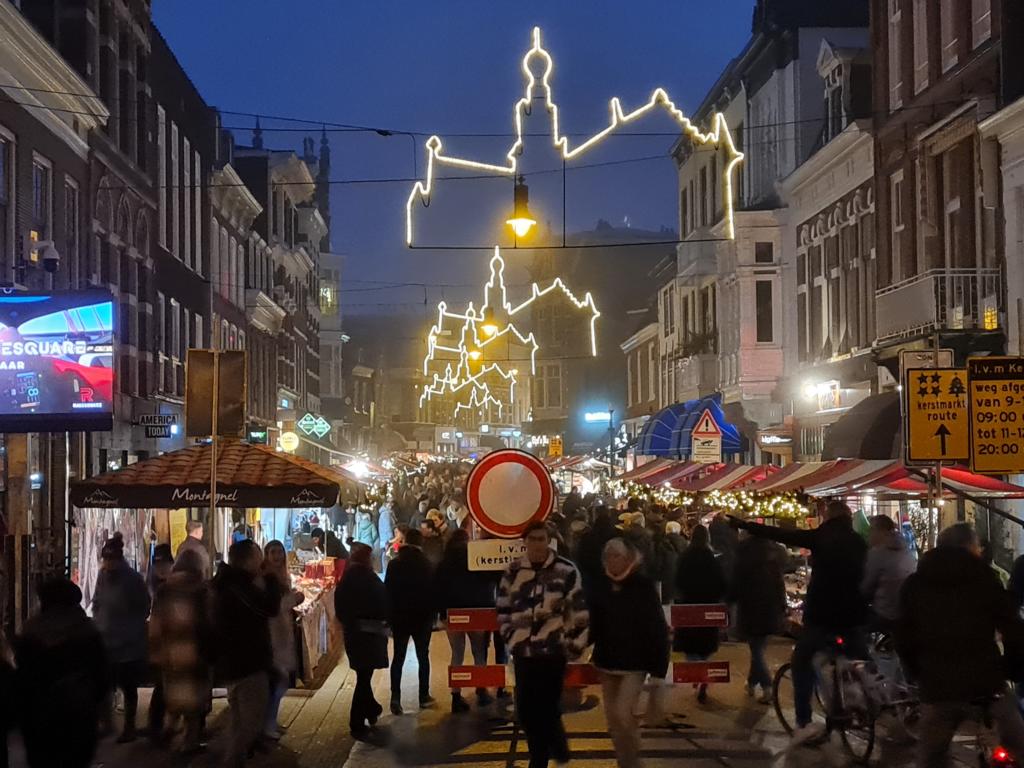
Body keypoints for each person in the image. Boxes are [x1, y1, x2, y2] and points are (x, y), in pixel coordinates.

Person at [731, 500, 869, 744]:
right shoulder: (859, 541)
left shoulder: (822, 536)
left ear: (828, 516)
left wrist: (748, 525)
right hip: (853, 615)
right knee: (861, 659)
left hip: (822, 615)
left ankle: (804, 722)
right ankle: (862, 698)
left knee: (802, 663)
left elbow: (784, 534)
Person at [898, 523, 1024, 768]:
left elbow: (904, 637)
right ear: (969, 547)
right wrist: (1011, 668)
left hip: (938, 686)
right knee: (1018, 744)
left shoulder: (915, 584)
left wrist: (917, 673)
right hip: (986, 682)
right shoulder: (985, 578)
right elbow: (1013, 628)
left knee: (931, 758)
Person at [497, 522, 589, 768]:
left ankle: (539, 760)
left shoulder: (566, 570)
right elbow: (503, 607)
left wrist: (573, 645)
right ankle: (555, 745)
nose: (537, 544)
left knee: (547, 707)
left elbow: (578, 610)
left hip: (553, 650)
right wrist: (509, 636)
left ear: (549, 541)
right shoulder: (513, 571)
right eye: (533, 539)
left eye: (542, 539)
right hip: (523, 651)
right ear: (525, 541)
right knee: (526, 710)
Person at [590, 538, 669, 768]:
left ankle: (633, 761)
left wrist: (658, 671)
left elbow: (657, 629)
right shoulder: (602, 586)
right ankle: (623, 761)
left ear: (628, 559)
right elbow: (595, 623)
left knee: (624, 714)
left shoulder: (643, 587)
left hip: (635, 663)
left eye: (617, 555)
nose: (612, 560)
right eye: (608, 556)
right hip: (607, 661)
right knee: (613, 720)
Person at [14, 578, 109, 768]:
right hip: (79, 713)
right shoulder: (87, 630)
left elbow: (23, 677)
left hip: (39, 717)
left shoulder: (31, 631)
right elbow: (101, 676)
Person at [211, 539, 282, 768]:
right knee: (249, 723)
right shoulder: (238, 587)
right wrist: (271, 579)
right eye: (258, 555)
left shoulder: (227, 583)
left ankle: (234, 760)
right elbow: (269, 607)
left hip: (234, 662)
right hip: (247, 662)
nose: (262, 560)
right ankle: (230, 762)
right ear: (248, 560)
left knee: (239, 721)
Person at [148, 548, 214, 753]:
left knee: (174, 697)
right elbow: (209, 623)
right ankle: (189, 742)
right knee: (194, 703)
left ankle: (169, 728)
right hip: (196, 653)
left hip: (171, 653)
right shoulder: (202, 590)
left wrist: (156, 650)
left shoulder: (164, 590)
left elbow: (155, 624)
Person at [91, 535, 151, 743]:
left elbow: (144, 606)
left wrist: (131, 627)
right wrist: (98, 620)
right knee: (105, 684)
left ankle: (129, 726)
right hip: (107, 640)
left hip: (128, 643)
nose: (107, 564)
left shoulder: (132, 579)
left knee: (128, 685)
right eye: (105, 560)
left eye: (110, 560)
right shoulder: (103, 576)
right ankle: (106, 723)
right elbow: (97, 601)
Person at [435, 530, 496, 712]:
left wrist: (442, 614)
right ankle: (481, 690)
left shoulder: (444, 563)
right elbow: (487, 583)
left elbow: (437, 590)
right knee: (479, 652)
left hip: (453, 614)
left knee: (457, 653)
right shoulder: (475, 559)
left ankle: (456, 696)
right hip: (476, 611)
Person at [336, 542, 390, 738]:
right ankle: (357, 721)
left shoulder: (347, 579)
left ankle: (371, 709)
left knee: (363, 675)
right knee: (364, 678)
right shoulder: (369, 579)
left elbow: (340, 607)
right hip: (369, 634)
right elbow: (383, 602)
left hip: (353, 634)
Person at [730, 531, 786, 703]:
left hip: (751, 609)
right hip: (770, 609)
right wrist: (782, 606)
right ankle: (751, 682)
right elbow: (779, 583)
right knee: (758, 648)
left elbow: (736, 584)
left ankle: (768, 687)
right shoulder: (773, 555)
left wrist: (729, 601)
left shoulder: (743, 556)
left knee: (756, 650)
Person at [385, 527, 436, 714]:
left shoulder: (394, 564)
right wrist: (434, 615)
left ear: (405, 542)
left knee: (398, 657)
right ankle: (423, 696)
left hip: (400, 617)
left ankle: (395, 698)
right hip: (422, 617)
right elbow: (433, 593)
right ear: (420, 543)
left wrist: (389, 618)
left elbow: (387, 592)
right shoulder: (427, 564)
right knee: (423, 656)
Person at [674, 524, 726, 704]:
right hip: (709, 607)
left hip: (689, 606)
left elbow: (678, 580)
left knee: (690, 648)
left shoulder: (684, 557)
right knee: (706, 647)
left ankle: (699, 675)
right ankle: (702, 675)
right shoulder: (712, 559)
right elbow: (721, 584)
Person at [263, 540, 304, 739]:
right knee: (278, 680)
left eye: (280, 552)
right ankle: (267, 724)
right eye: (273, 552)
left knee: (281, 680)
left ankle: (271, 721)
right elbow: (274, 606)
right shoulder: (267, 579)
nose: (277, 556)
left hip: (282, 630)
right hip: (273, 633)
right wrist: (294, 599)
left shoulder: (282, 576)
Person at [862, 514, 916, 634]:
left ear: (880, 531)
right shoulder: (906, 549)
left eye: (871, 530)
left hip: (886, 614)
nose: (869, 534)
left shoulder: (878, 554)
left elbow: (865, 588)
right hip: (907, 612)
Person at [378, 499, 397, 572]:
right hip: (387, 539)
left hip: (385, 538)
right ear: (385, 504)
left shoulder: (387, 513)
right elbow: (387, 527)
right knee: (388, 555)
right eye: (389, 503)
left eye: (392, 503)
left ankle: (386, 571)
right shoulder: (386, 514)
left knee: (387, 555)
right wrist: (391, 539)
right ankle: (387, 572)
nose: (391, 505)